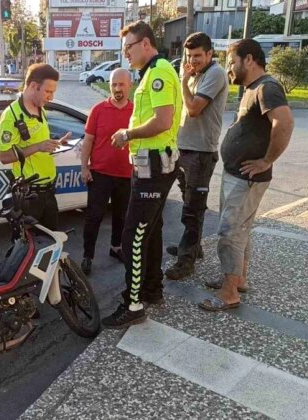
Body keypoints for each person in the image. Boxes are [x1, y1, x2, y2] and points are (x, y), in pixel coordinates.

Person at [199, 39, 294, 311]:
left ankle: (229, 293)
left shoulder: (267, 87)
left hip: (246, 179)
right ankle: (238, 279)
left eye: (232, 63)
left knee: (230, 233)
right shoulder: (252, 88)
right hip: (238, 175)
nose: (229, 69)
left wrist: (266, 160)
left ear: (249, 59)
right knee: (242, 231)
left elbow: (284, 121)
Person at [103, 21, 183, 328]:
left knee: (132, 236)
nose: (126, 55)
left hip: (153, 165)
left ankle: (133, 304)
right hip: (149, 163)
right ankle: (151, 289)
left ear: (145, 43)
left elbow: (163, 121)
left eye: (129, 48)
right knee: (150, 231)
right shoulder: (151, 72)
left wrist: (127, 133)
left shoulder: (159, 71)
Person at [165, 32, 229, 280]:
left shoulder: (214, 73)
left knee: (193, 208)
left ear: (210, 53)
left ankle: (186, 261)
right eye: (189, 56)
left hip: (201, 152)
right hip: (185, 148)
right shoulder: (196, 74)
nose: (193, 60)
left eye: (198, 56)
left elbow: (193, 109)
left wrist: (183, 81)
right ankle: (193, 248)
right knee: (189, 201)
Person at [0, 63, 71, 230]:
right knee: (28, 247)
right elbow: (5, 157)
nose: (51, 97)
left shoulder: (40, 109)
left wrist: (57, 143)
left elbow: (38, 143)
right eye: (48, 91)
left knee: (52, 242)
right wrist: (38, 146)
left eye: (53, 92)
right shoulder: (11, 116)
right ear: (33, 86)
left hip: (48, 190)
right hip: (28, 195)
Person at [79, 68, 135, 275]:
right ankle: (87, 256)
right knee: (94, 217)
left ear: (130, 85)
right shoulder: (98, 110)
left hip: (126, 174)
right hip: (100, 173)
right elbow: (88, 140)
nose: (117, 89)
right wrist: (84, 167)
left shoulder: (136, 112)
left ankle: (116, 247)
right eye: (114, 85)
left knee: (121, 216)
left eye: (121, 84)